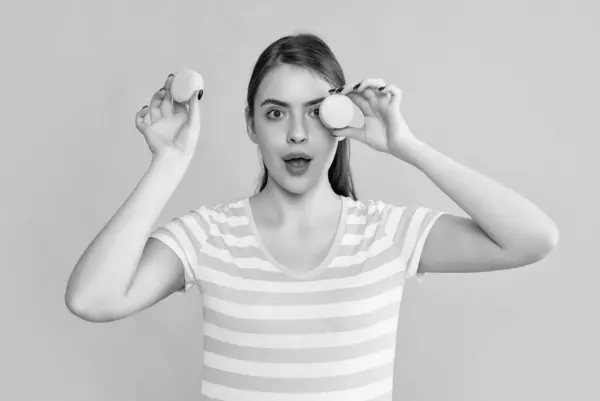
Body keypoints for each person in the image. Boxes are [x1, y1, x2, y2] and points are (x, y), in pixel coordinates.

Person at [65, 32, 559, 401]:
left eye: (316, 111)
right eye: (276, 113)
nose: (298, 134)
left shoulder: (386, 233)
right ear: (251, 126)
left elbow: (532, 239)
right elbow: (92, 298)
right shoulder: (208, 235)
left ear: (340, 121)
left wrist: (407, 147)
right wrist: (168, 163)